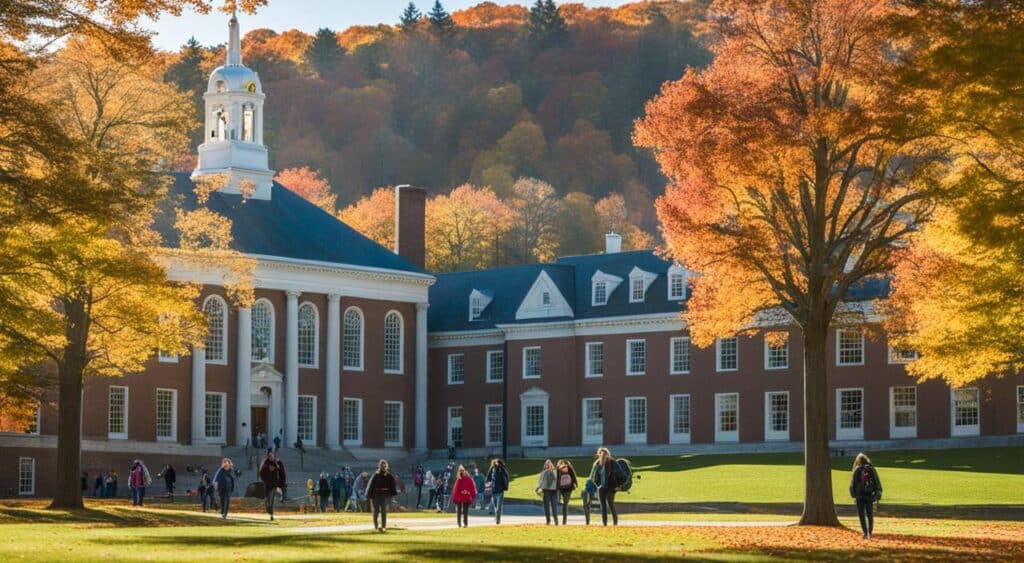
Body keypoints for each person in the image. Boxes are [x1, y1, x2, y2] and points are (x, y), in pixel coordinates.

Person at [850, 452, 883, 539]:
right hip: (870, 495)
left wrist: (853, 494)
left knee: (861, 515)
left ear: (858, 461)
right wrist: (877, 494)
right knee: (870, 514)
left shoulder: (857, 470)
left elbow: (853, 483)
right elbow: (877, 482)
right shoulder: (872, 469)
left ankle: (865, 532)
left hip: (859, 496)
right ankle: (870, 532)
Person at [365, 460, 398, 531]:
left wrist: (392, 497)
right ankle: (376, 527)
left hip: (385, 495)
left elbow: (392, 487)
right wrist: (369, 495)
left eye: (384, 466)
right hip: (376, 495)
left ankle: (383, 527)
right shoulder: (375, 475)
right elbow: (371, 486)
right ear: (379, 466)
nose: (383, 467)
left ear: (386, 466)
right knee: (376, 511)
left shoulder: (389, 476)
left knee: (383, 511)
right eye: (382, 466)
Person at [589, 447, 619, 526]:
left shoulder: (612, 462)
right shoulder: (597, 464)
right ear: (599, 454)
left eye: (604, 454)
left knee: (610, 504)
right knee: (603, 505)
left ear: (607, 454)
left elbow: (621, 474)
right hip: (601, 487)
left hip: (611, 487)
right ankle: (604, 523)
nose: (602, 455)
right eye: (601, 454)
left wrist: (617, 485)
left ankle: (615, 523)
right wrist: (597, 484)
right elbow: (592, 476)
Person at [258, 451, 287, 521]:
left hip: (274, 485)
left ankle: (271, 514)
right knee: (267, 500)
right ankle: (269, 510)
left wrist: (278, 467)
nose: (271, 457)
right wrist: (265, 478)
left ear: (274, 456)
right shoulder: (265, 464)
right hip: (267, 485)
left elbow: (282, 473)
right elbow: (261, 473)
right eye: (269, 456)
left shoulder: (277, 463)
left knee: (271, 500)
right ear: (268, 457)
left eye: (272, 456)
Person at [486, 458, 510, 524]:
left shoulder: (502, 469)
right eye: (496, 463)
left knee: (499, 507)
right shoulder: (492, 469)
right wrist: (488, 485)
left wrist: (505, 486)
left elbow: (506, 477)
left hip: (500, 491)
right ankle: (497, 517)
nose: (497, 464)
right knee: (495, 507)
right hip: (493, 491)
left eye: (498, 463)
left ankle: (497, 520)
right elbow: (488, 478)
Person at [536, 459, 558, 525]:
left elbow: (540, 481)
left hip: (546, 491)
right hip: (553, 490)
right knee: (553, 506)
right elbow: (555, 480)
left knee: (547, 506)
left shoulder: (544, 472)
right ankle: (555, 521)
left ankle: (548, 521)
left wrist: (537, 488)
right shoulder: (555, 471)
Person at [556, 459, 578, 525]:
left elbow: (556, 479)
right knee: (565, 504)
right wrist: (576, 484)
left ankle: (564, 520)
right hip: (568, 488)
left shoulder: (558, 470)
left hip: (562, 488)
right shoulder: (569, 468)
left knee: (565, 504)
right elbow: (573, 476)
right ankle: (564, 521)